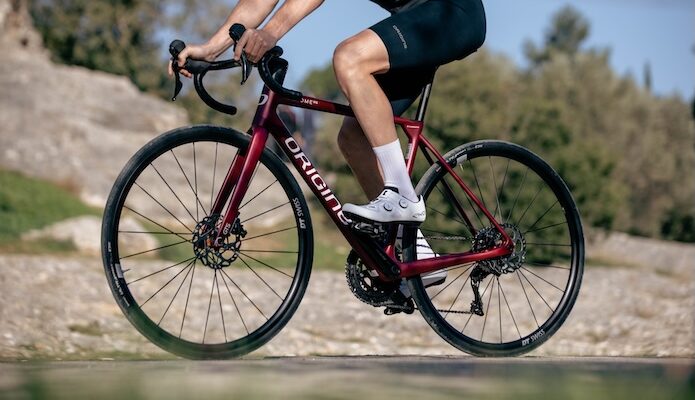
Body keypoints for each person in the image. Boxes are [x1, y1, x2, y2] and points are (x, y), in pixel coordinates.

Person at [169, 0, 486, 226]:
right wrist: (210, 50)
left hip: (451, 12)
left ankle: (401, 194)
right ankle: (413, 255)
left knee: (350, 57)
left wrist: (270, 34)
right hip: (414, 21)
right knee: (353, 137)